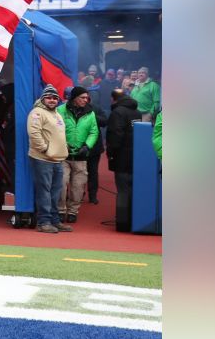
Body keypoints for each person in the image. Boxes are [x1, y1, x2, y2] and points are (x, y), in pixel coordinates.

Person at [27, 84, 70, 234]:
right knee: (44, 191)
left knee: (55, 192)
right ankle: (44, 222)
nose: (52, 100)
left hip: (57, 159)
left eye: (54, 98)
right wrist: (45, 149)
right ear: (43, 98)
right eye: (49, 97)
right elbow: (34, 133)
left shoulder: (57, 114)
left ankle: (54, 221)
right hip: (42, 159)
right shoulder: (37, 113)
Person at [61, 86, 98, 224]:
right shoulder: (60, 110)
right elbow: (55, 129)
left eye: (86, 97)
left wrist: (87, 145)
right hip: (63, 156)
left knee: (78, 186)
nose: (85, 100)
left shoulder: (90, 113)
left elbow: (94, 132)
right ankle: (60, 210)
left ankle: (73, 211)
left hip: (81, 157)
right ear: (74, 98)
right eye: (82, 97)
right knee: (61, 184)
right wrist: (63, 143)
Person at [106, 89, 140, 232]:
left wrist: (111, 153)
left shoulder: (117, 112)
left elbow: (116, 135)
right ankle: (136, 219)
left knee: (123, 191)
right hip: (136, 156)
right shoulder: (137, 113)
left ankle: (123, 223)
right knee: (134, 189)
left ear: (113, 99)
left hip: (121, 157)